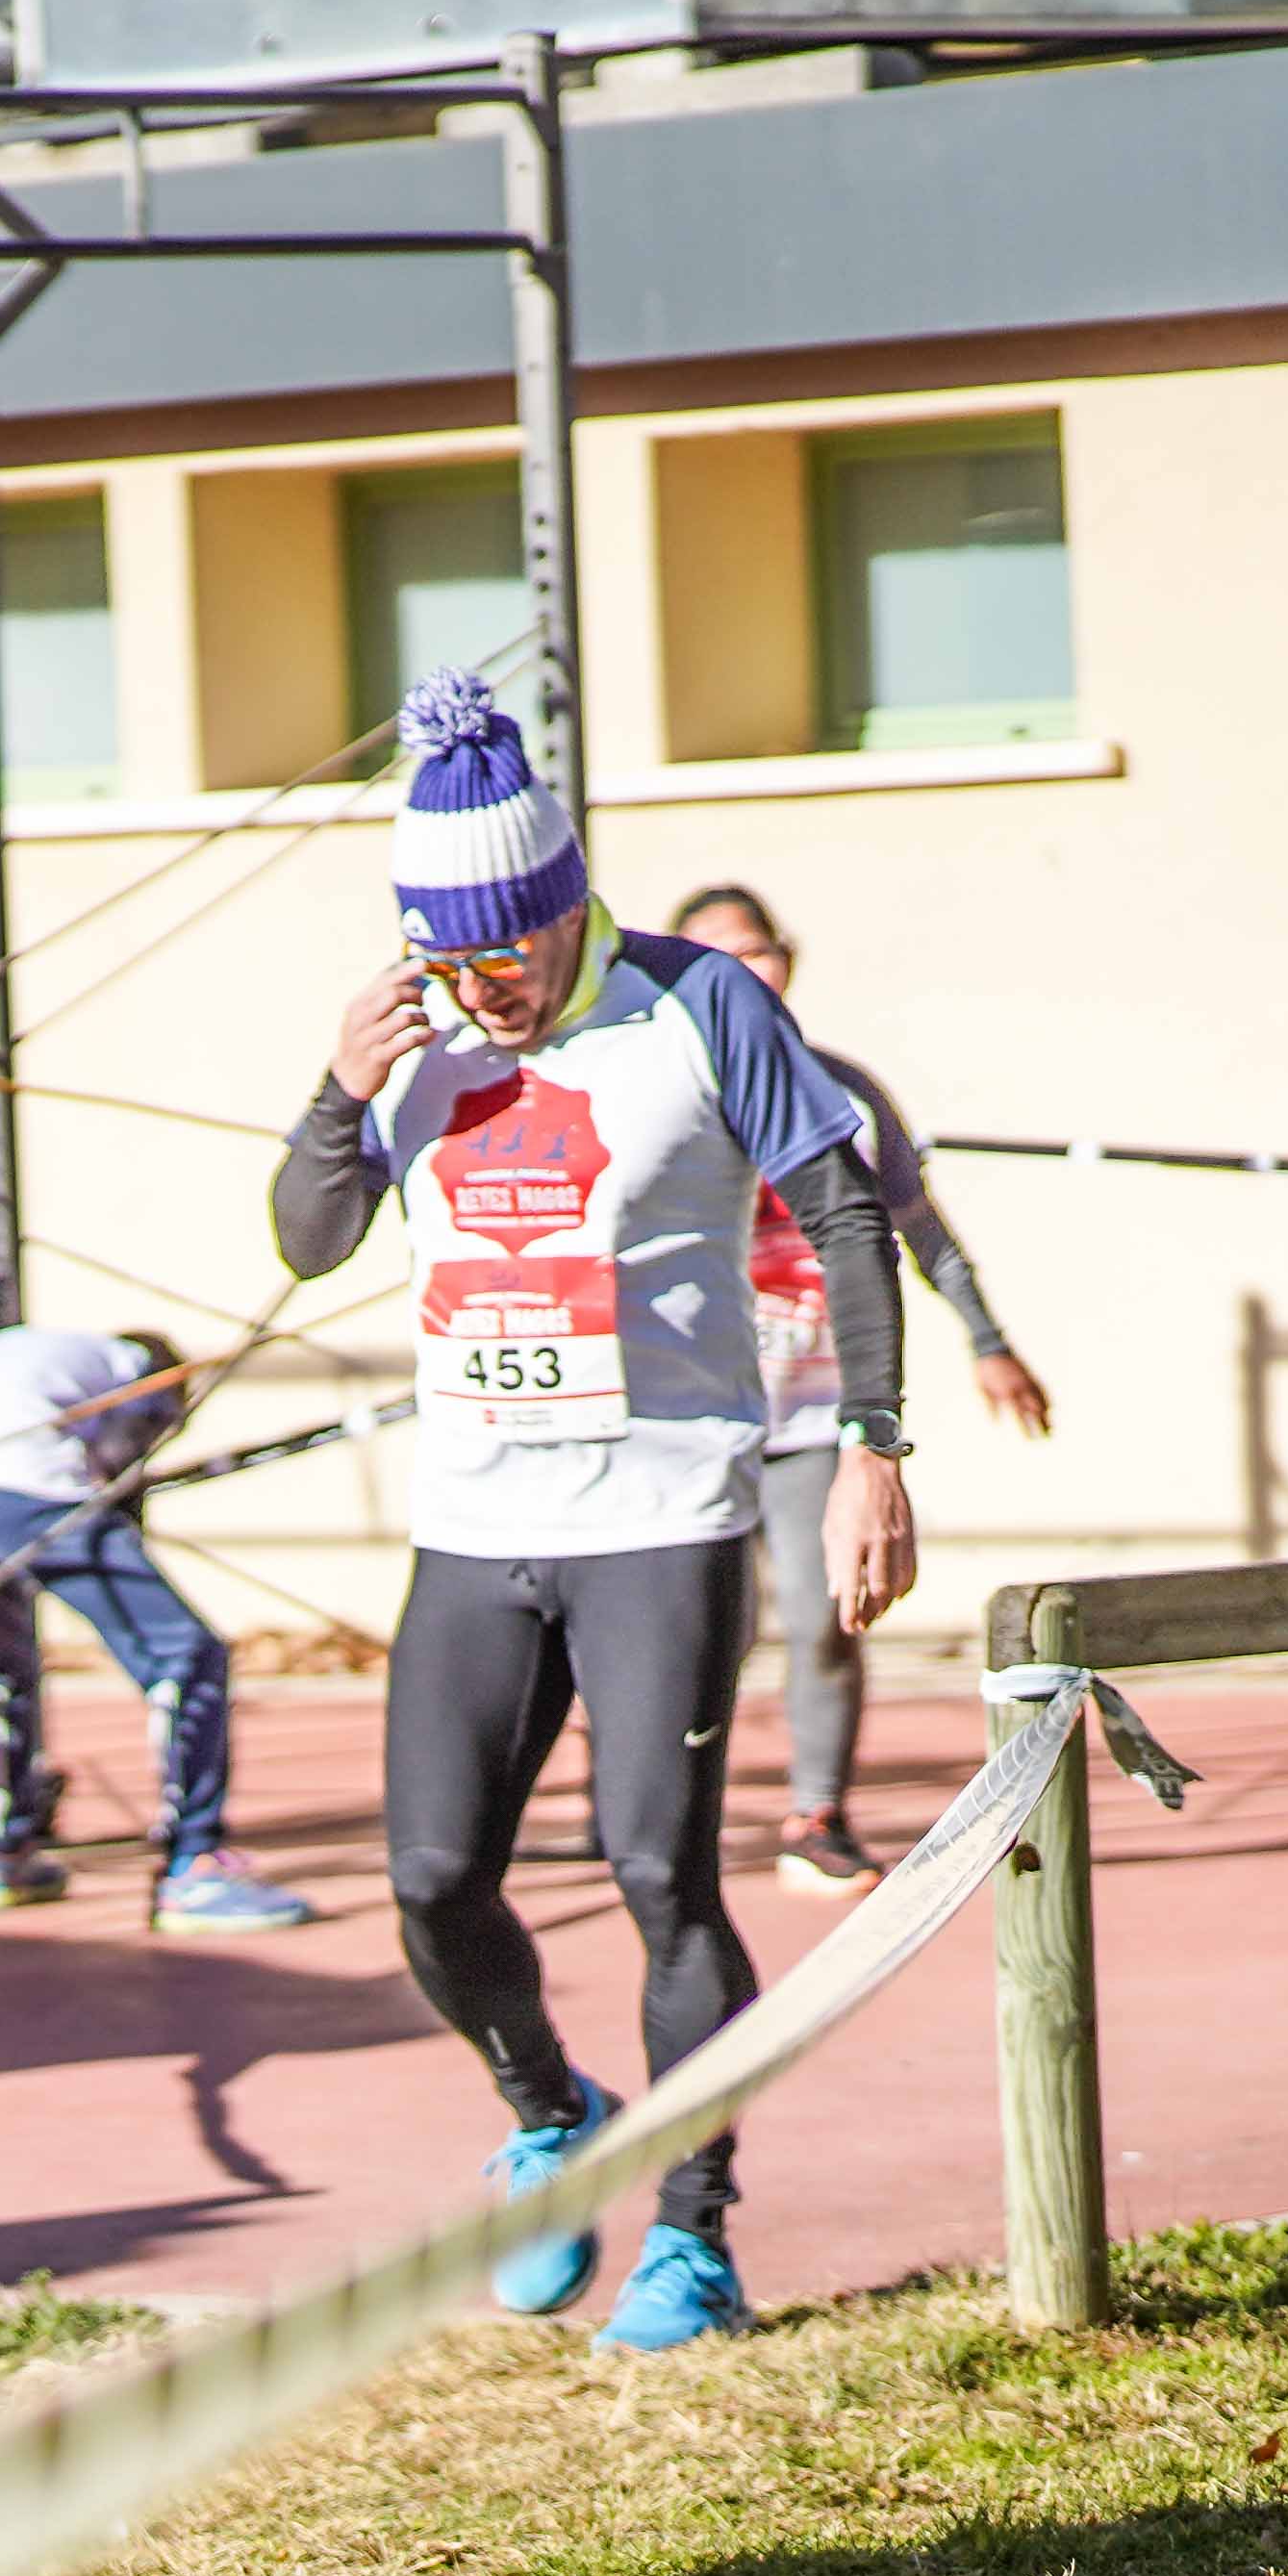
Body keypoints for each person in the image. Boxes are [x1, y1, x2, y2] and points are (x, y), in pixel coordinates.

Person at [271, 676, 918, 2354]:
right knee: (429, 1880)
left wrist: (874, 1446)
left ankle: (693, 2234)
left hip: (665, 1511)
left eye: (508, 960)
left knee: (657, 1871)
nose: (482, 993)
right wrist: (340, 1095)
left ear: (568, 914)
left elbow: (847, 1211)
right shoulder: (414, 1037)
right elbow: (305, 1236)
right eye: (450, 962)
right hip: (478, 1522)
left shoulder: (696, 1005)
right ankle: (550, 2116)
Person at [663, 884, 1059, 1898]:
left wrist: (987, 1340)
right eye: (716, 957)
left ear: (787, 962)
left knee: (828, 1609)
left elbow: (914, 1225)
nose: (745, 975)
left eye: (759, 953)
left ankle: (817, 1813)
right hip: (684, 1415)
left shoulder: (842, 1090)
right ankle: (659, 1811)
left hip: (807, 1411)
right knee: (690, 1628)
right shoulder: (658, 1082)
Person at [0, 1323, 314, 1931]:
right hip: (24, 1490)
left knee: (4, 1653)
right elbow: (122, 1463)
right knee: (187, 1652)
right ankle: (194, 1866)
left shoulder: (46, 1353)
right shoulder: (135, 1367)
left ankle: (3, 1853)